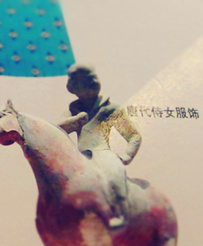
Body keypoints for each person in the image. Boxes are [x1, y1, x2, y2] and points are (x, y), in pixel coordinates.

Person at [59, 64, 142, 228]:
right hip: (80, 155)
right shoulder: (73, 109)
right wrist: (73, 122)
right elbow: (57, 130)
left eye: (90, 80)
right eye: (81, 83)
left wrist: (126, 155)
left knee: (113, 172)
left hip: (103, 152)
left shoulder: (111, 109)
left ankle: (117, 211)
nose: (87, 86)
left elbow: (133, 136)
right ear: (73, 87)